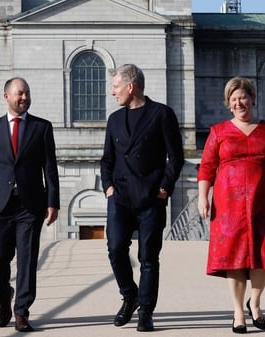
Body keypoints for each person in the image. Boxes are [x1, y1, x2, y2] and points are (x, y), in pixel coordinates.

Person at [197, 76, 265, 334]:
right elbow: (207, 167)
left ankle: (256, 301)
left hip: (263, 203)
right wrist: (202, 197)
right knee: (235, 258)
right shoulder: (218, 132)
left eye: (243, 97)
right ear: (228, 104)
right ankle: (238, 312)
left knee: (262, 256)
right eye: (234, 99)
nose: (240, 103)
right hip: (228, 207)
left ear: (253, 99)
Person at [100, 64, 185, 332]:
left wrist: (164, 189)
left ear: (130, 86)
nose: (112, 92)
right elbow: (107, 160)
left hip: (151, 197)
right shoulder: (114, 120)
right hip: (121, 198)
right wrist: (108, 188)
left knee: (149, 257)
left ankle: (146, 311)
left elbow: (176, 157)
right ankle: (130, 295)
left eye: (115, 87)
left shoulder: (162, 114)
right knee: (115, 249)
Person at [0, 77, 60, 332]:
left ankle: (21, 311)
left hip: (30, 205)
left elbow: (50, 168)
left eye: (27, 93)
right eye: (20, 93)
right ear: (6, 96)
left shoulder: (42, 128)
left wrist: (52, 201)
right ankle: (4, 295)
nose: (24, 98)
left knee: (27, 259)